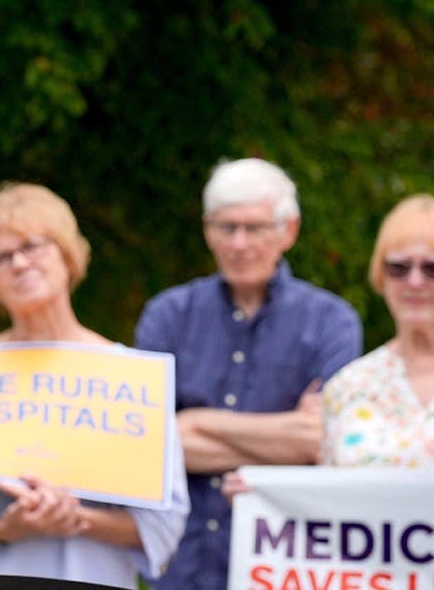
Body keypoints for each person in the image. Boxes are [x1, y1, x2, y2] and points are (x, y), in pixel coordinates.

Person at [0, 183, 188, 589]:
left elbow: (163, 523)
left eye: (33, 245)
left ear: (67, 255)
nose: (19, 263)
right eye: (2, 257)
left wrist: (76, 518)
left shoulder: (132, 375)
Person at [134, 157, 362, 590]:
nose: (239, 243)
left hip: (283, 561)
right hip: (183, 563)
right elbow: (146, 445)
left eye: (254, 228)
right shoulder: (168, 315)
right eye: (226, 227)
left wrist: (196, 422)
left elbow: (321, 440)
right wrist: (282, 440)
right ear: (207, 230)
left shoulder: (332, 321)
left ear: (288, 231)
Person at [320, 194, 434, 467]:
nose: (415, 282)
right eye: (399, 268)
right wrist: (254, 493)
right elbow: (324, 498)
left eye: (431, 268)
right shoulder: (348, 386)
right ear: (381, 275)